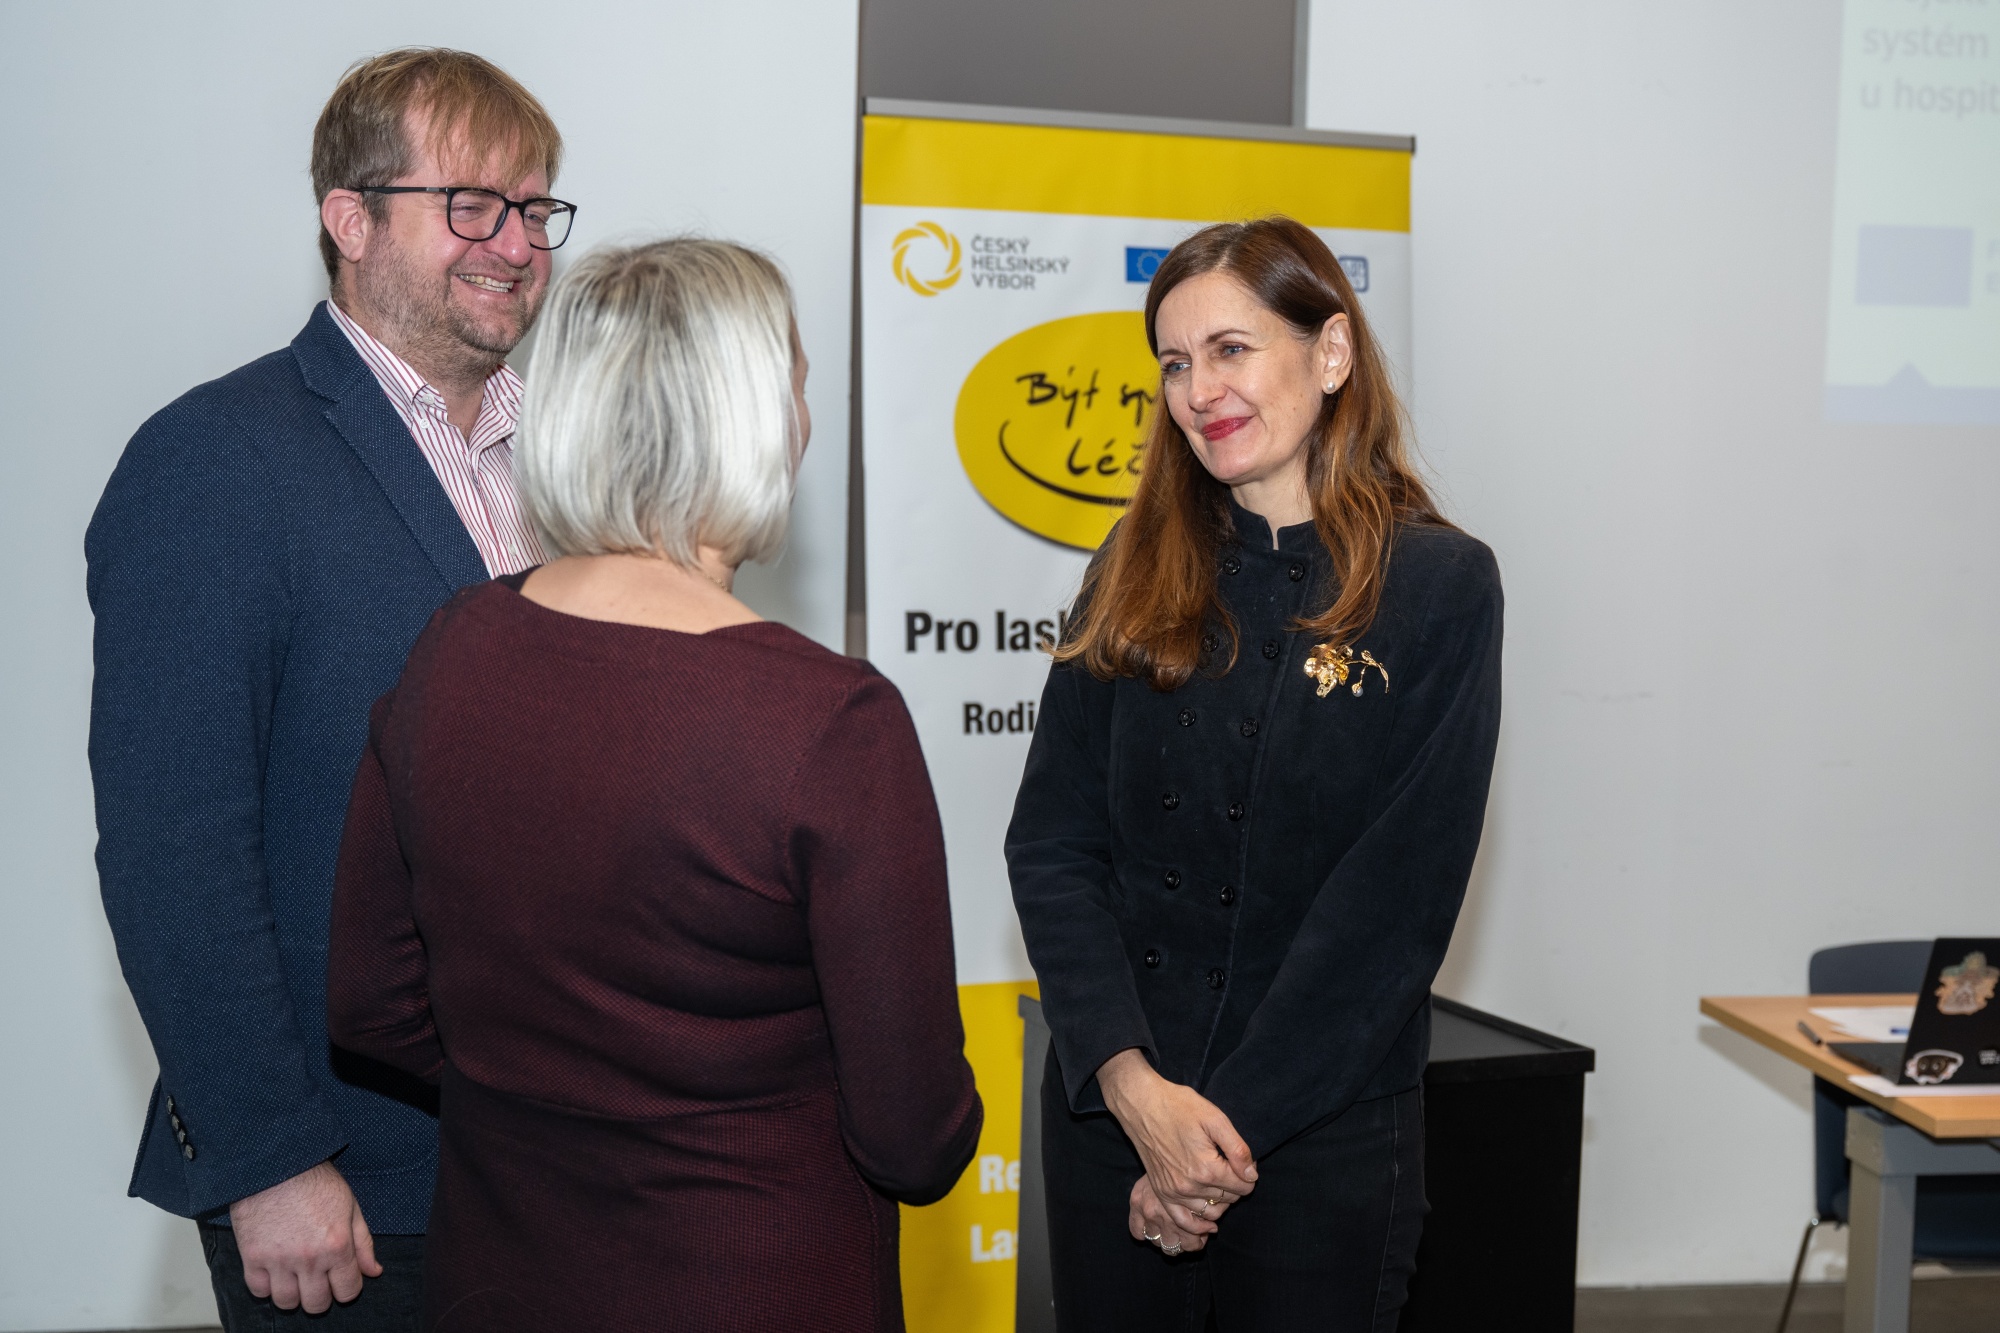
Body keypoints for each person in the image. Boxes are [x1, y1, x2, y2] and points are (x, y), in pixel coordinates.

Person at [325, 237, 983, 1333]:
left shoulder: (452, 649)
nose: (805, 420)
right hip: (756, 1285)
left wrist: (555, 1105)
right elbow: (914, 1138)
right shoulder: (828, 723)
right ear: (749, 420)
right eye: (796, 386)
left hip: (502, 1276)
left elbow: (371, 1006)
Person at [85, 49, 572, 1330]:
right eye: (470, 204)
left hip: (570, 1161)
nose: (514, 243)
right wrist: (267, 1159)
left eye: (534, 209)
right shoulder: (215, 458)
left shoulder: (576, 458)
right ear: (349, 220)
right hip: (352, 1188)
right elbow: (174, 848)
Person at [1006, 216, 1503, 1331]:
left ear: (1330, 353)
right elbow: (1051, 844)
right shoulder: (1128, 567)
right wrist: (1136, 1094)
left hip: (1315, 1135)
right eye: (1175, 363)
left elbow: (1391, 908)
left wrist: (1206, 1148)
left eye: (1231, 349)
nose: (1199, 391)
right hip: (1114, 1125)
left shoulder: (1439, 585)